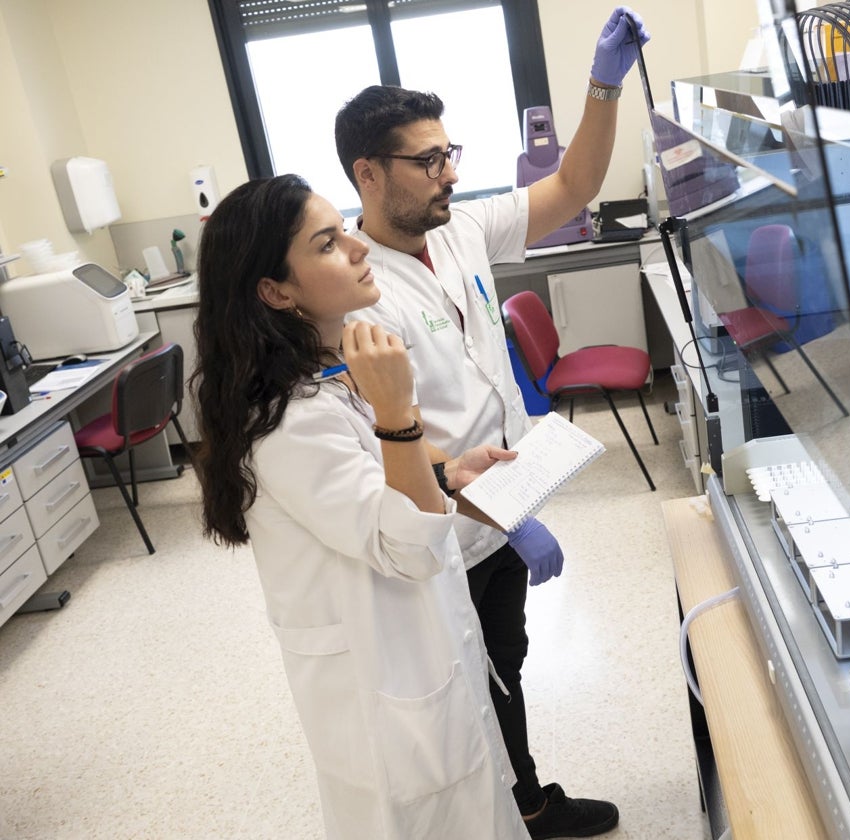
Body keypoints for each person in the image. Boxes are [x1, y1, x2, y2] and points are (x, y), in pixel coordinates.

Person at [333, 7, 649, 838]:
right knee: (476, 679)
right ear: (369, 174)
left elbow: (574, 187)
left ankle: (522, 801)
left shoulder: (464, 225)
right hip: (445, 529)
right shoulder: (356, 290)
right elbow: (379, 434)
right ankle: (524, 809)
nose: (446, 172)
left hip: (504, 506)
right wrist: (496, 509)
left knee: (502, 664)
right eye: (426, 159)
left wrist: (601, 86)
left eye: (450, 154)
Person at [189, 173, 530, 840]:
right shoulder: (289, 424)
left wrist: (450, 477)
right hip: (384, 695)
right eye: (328, 243)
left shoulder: (330, 377)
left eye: (344, 229)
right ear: (276, 291)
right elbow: (406, 545)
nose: (358, 247)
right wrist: (399, 414)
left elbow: (383, 496)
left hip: (425, 657)